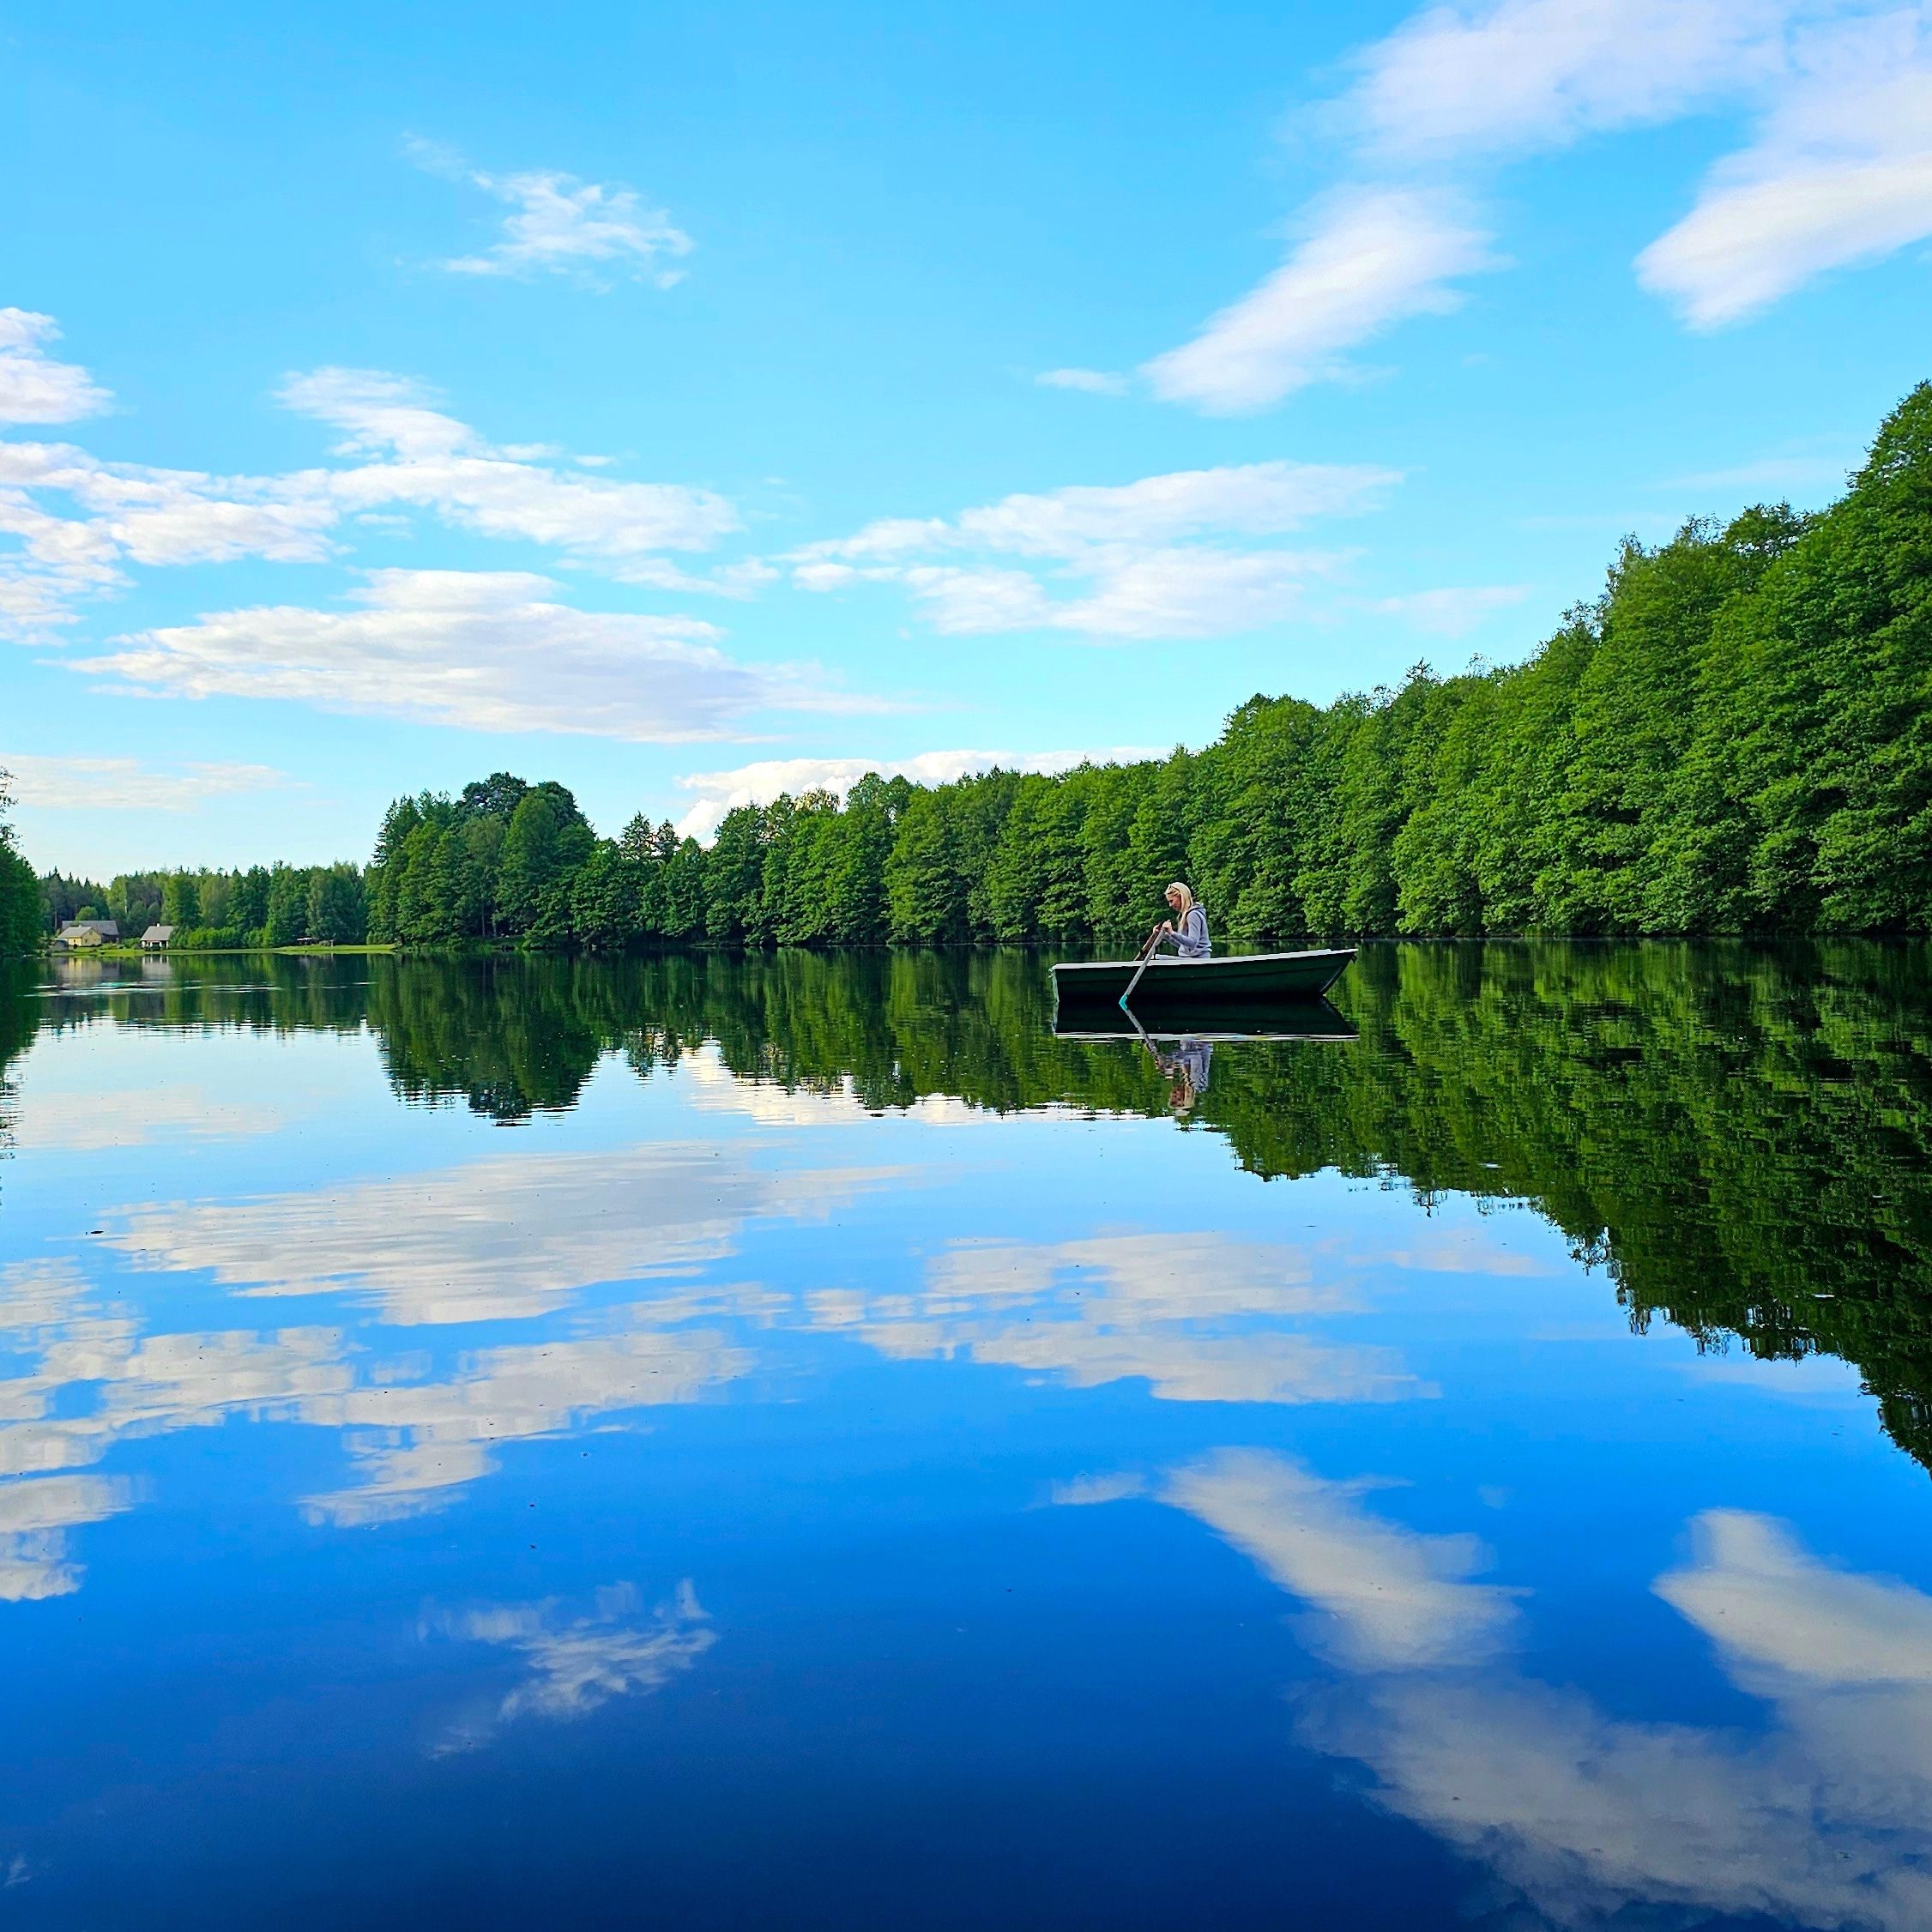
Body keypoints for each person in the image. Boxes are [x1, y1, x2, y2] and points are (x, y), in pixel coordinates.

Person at [1153, 882, 1211, 959]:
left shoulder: (1193, 915)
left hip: (1197, 960)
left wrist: (1172, 932)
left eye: (1171, 901)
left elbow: (1193, 943)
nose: (1170, 905)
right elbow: (1183, 945)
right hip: (1188, 959)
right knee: (1154, 958)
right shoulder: (1183, 916)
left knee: (1155, 959)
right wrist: (1165, 935)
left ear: (1180, 897)